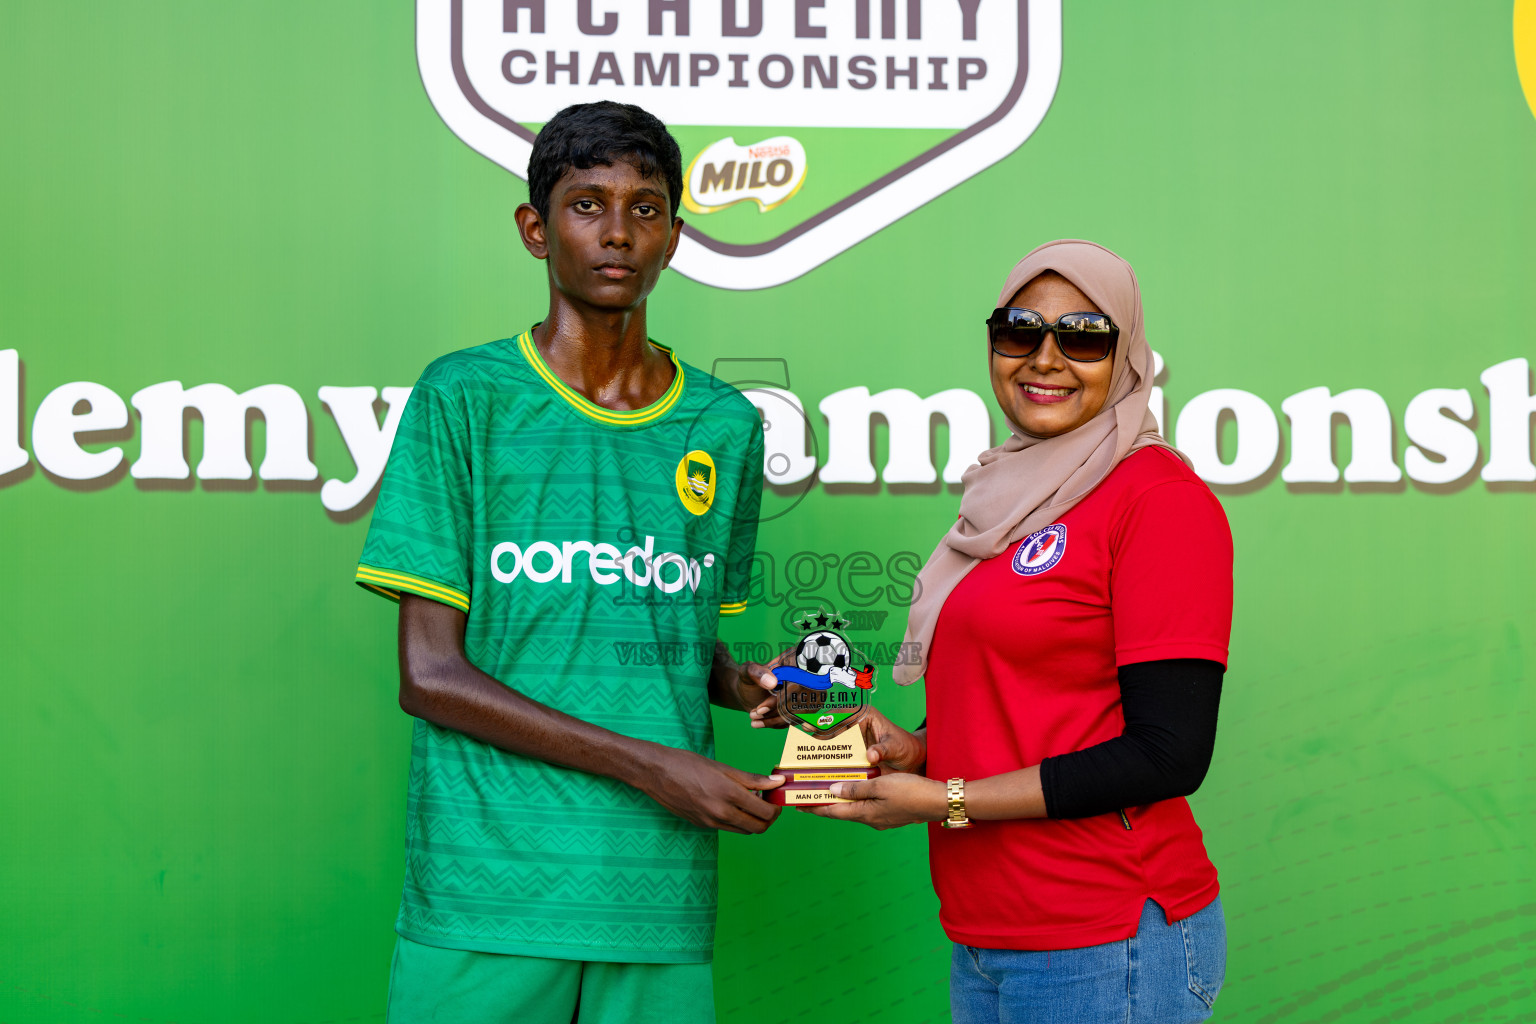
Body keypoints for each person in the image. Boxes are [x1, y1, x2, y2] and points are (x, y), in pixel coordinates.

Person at [355, 101, 784, 1024]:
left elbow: (668, 634)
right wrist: (654, 767)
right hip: (487, 888)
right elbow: (430, 675)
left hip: (655, 892)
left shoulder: (726, 424)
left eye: (646, 206)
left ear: (675, 234)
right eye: (587, 204)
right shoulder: (465, 398)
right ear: (534, 229)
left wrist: (747, 685)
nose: (618, 231)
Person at [764, 240, 1232, 1023]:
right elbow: (1025, 705)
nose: (1045, 358)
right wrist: (911, 748)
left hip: (1106, 935)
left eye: (1083, 336)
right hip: (990, 934)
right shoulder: (1010, 497)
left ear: (1125, 356)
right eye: (1019, 331)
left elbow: (1169, 753)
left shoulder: (1158, 500)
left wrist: (941, 798)